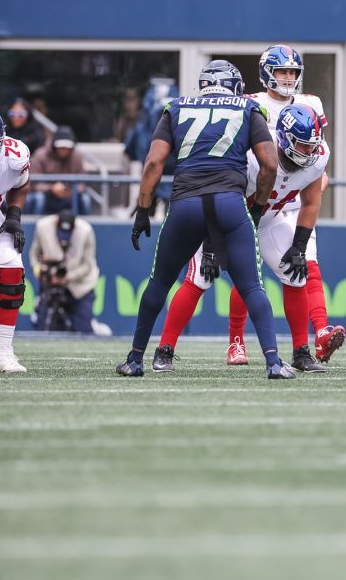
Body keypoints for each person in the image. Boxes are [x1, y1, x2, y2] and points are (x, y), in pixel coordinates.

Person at [117, 60, 292, 379]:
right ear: (234, 86)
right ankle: (273, 362)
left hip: (184, 203)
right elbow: (269, 164)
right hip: (229, 202)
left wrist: (143, 209)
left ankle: (134, 359)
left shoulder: (176, 107)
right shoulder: (248, 108)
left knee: (160, 281)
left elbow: (154, 163)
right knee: (252, 285)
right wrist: (256, 207)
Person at [155, 104, 344, 372]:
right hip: (222, 218)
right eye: (303, 146)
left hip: (268, 219)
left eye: (313, 145)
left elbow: (311, 202)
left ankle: (301, 352)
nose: (310, 152)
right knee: (200, 277)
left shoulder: (318, 156)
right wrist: (210, 244)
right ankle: (164, 350)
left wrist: (299, 246)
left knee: (296, 273)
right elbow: (219, 196)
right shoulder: (253, 155)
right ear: (285, 139)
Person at [0, 106, 32, 373]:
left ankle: (3, 352)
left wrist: (13, 215)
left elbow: (22, 182)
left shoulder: (13, 156)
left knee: (12, 271)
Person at [30, 209, 103, 335]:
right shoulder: (42, 226)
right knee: (42, 328)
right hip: (50, 286)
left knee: (84, 330)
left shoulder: (85, 230)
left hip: (80, 287)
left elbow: (87, 265)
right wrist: (40, 271)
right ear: (56, 223)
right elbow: (34, 254)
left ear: (74, 229)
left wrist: (68, 277)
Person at [27, 126, 91, 216]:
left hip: (70, 195)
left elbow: (83, 182)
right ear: (54, 145)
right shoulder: (40, 155)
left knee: (85, 199)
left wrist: (72, 190)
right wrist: (51, 188)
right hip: (46, 195)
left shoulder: (77, 157)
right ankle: (34, 227)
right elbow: (32, 183)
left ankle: (86, 228)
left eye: (67, 147)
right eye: (61, 147)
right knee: (39, 198)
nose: (64, 150)